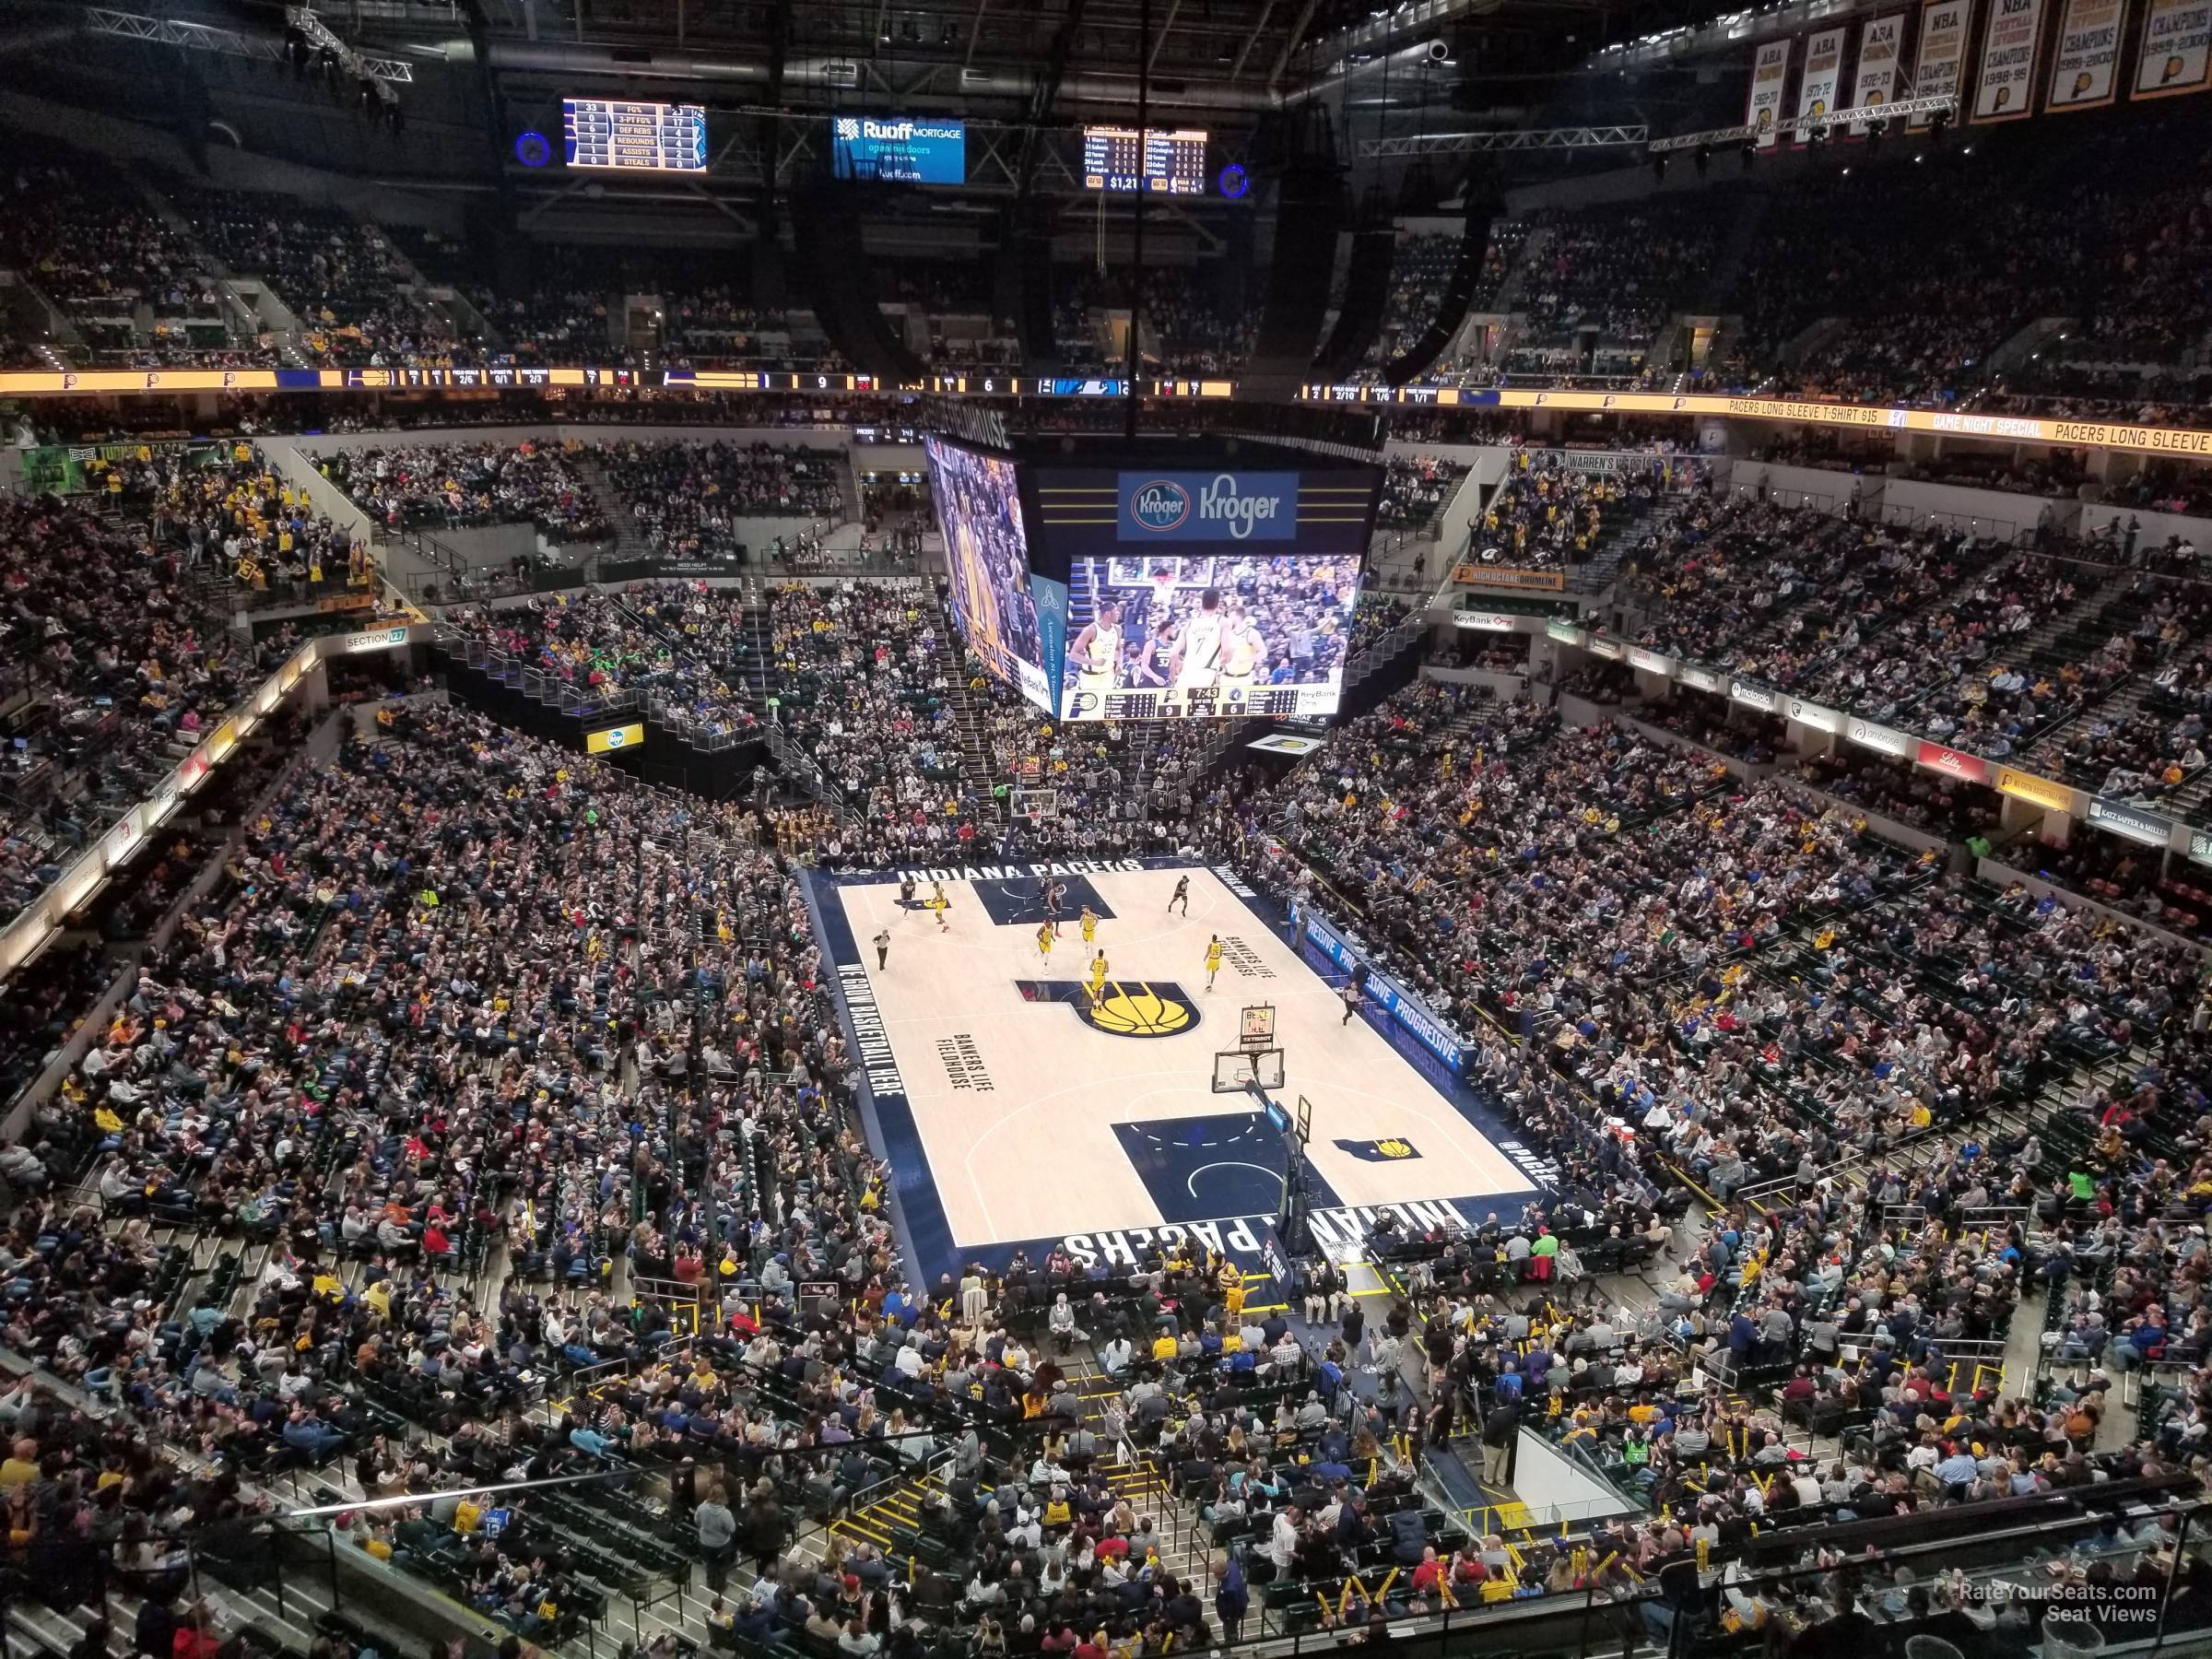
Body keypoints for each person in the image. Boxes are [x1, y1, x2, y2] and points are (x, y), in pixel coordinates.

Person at [696, 1482, 736, 1592]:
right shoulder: (725, 1514)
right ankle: (720, 1586)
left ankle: (710, 1582)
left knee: (710, 1564)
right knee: (722, 1567)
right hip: (721, 1545)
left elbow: (697, 1521)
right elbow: (732, 1529)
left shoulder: (701, 1507)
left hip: (705, 1543)